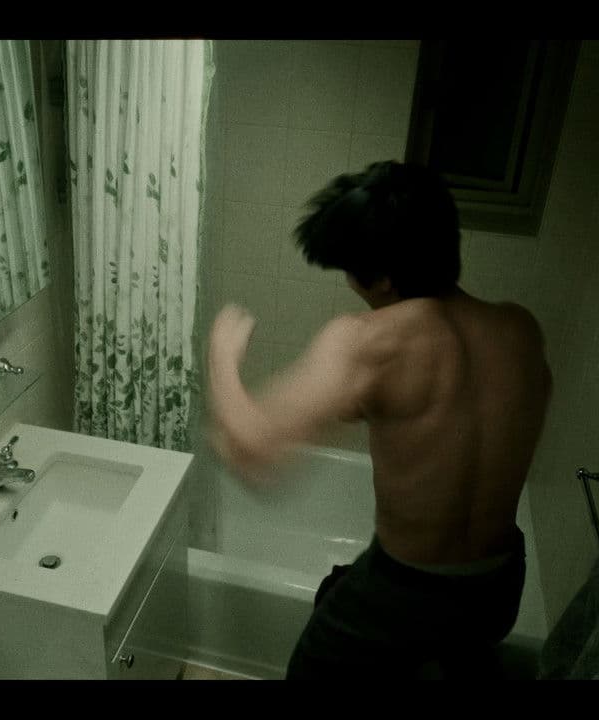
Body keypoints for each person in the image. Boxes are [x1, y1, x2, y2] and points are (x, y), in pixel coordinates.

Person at [206, 161, 552, 679]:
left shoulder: (371, 343)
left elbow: (251, 451)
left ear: (385, 277)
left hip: (408, 591)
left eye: (349, 270)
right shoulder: (520, 330)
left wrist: (221, 356)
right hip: (497, 588)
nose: (349, 284)